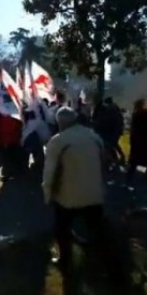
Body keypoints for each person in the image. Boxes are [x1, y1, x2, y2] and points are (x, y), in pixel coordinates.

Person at [42, 106, 121, 281]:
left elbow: (49, 173)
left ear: (60, 123)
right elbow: (103, 164)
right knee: (100, 232)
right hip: (94, 194)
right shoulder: (94, 136)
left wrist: (47, 195)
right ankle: (115, 270)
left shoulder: (58, 141)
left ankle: (65, 261)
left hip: (67, 198)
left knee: (61, 230)